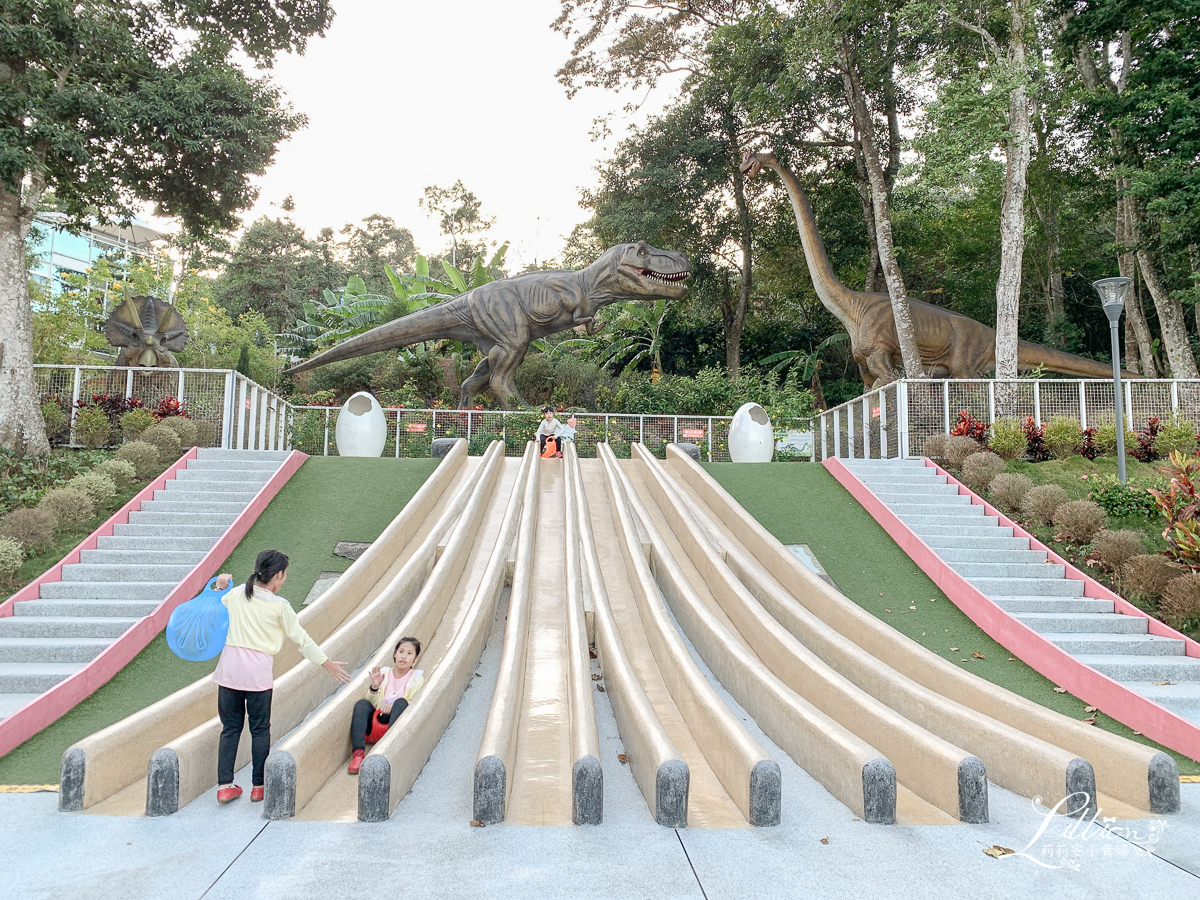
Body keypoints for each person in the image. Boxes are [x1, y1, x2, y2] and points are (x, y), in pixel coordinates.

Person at [211, 550, 351, 804]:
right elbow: (301, 639)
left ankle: (224, 785)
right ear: (278, 575)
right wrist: (327, 663)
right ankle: (258, 786)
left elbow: (214, 605)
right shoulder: (279, 606)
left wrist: (219, 584)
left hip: (229, 671)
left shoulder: (237, 593)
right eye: (284, 575)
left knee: (230, 728)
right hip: (257, 675)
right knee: (260, 729)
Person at [347, 636, 425, 774]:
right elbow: (371, 701)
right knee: (361, 704)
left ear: (415, 658)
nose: (404, 657)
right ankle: (358, 754)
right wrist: (375, 687)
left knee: (401, 703)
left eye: (409, 653)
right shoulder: (384, 673)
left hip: (395, 723)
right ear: (395, 654)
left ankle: (389, 751)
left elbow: (414, 704)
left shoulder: (416, 678)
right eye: (401, 652)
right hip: (376, 723)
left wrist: (393, 706)